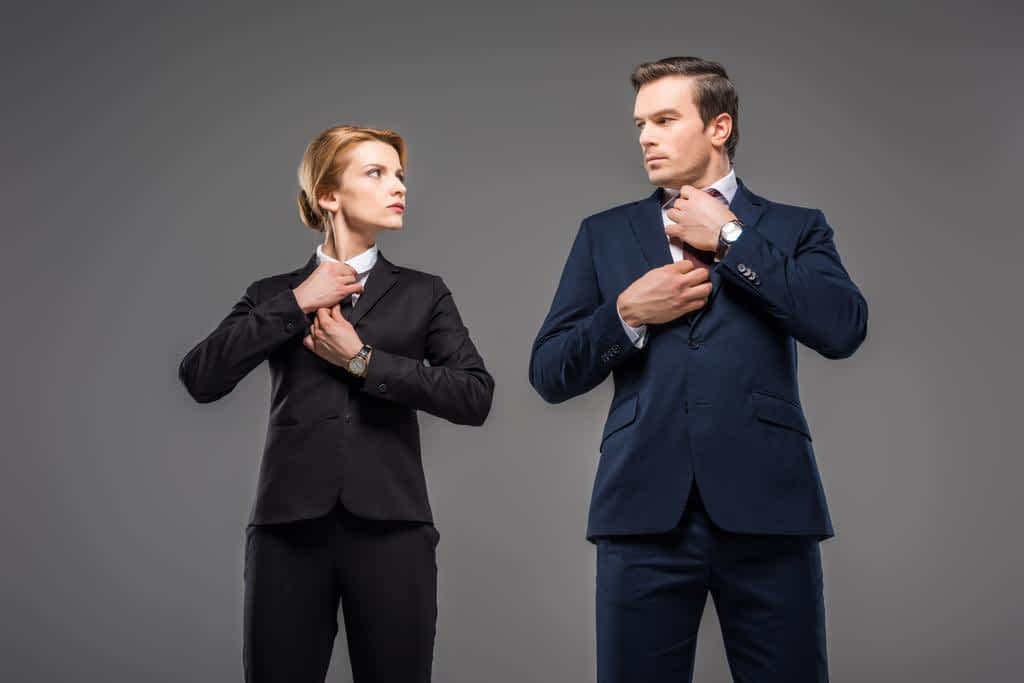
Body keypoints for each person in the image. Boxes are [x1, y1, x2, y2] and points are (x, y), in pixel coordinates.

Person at [529, 56, 867, 682]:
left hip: (769, 508)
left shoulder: (793, 228)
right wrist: (627, 313)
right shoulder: (603, 234)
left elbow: (842, 327)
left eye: (664, 119)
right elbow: (549, 372)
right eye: (639, 124)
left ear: (718, 127)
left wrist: (734, 239)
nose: (645, 138)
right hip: (641, 513)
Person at [178, 125, 494, 683]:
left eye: (399, 175)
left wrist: (363, 360)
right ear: (328, 194)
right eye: (375, 173)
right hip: (287, 531)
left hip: (394, 529)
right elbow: (202, 377)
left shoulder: (425, 292)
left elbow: (473, 395)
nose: (397, 186)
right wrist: (299, 300)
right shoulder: (270, 293)